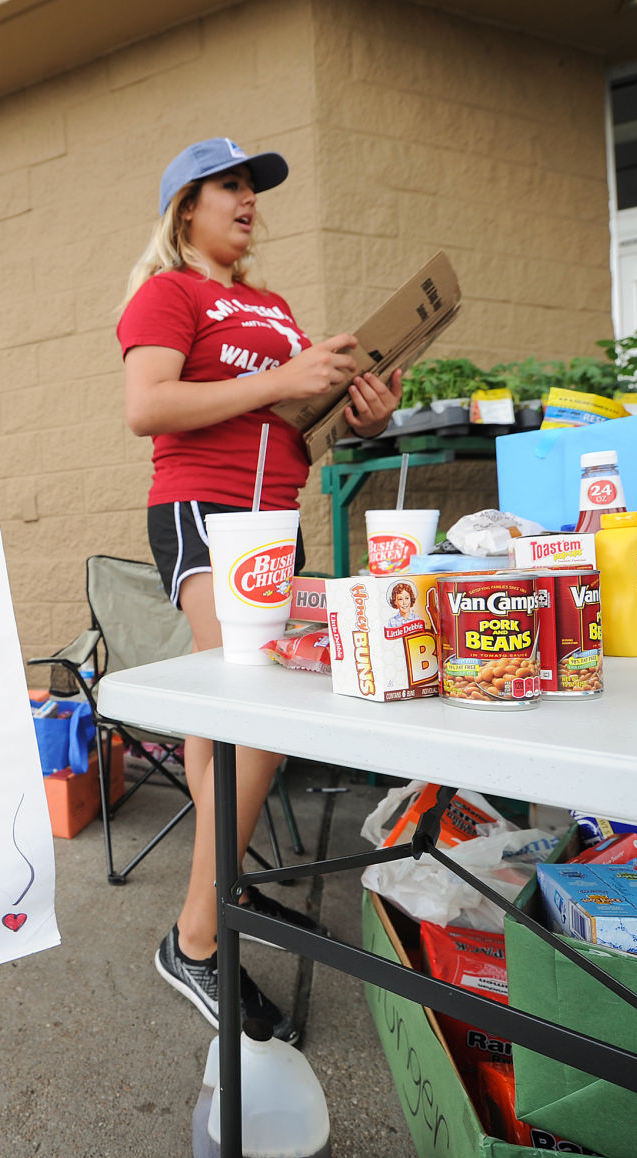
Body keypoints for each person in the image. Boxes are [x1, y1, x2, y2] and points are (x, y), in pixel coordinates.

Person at [117, 137, 401, 1040]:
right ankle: (196, 940)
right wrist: (284, 375)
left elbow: (287, 429)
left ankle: (222, 890)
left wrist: (351, 414)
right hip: (206, 512)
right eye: (228, 186)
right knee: (258, 713)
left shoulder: (270, 306)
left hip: (271, 519)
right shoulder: (171, 292)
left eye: (253, 188)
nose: (248, 200)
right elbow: (147, 407)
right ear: (184, 208)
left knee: (224, 725)